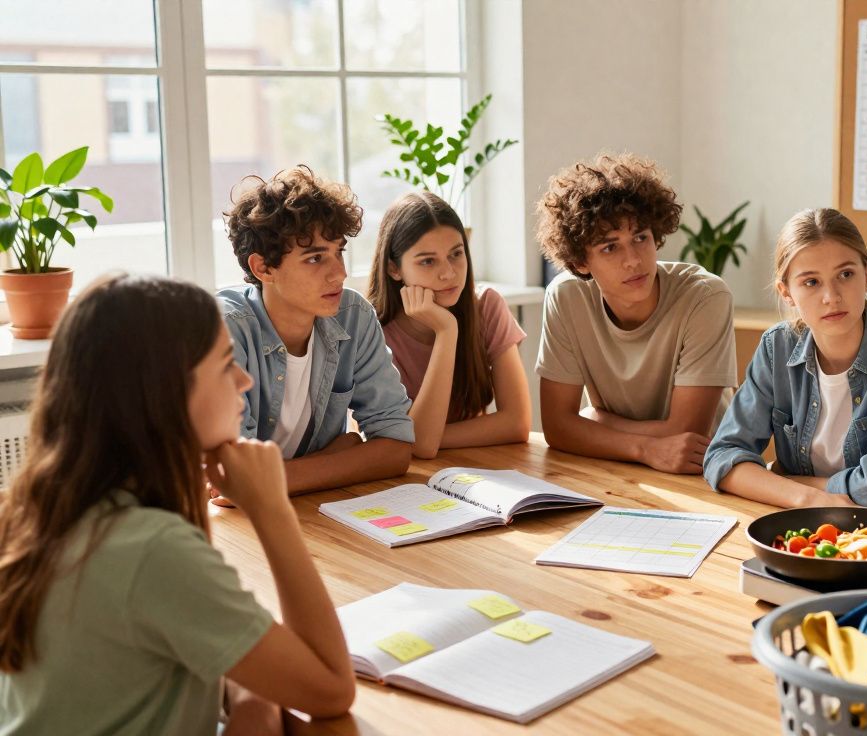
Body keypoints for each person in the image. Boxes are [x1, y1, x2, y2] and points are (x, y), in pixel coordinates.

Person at [0, 275, 355, 734]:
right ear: (165, 393)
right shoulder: (149, 549)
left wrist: (253, 695)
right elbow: (331, 689)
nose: (244, 380)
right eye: (226, 363)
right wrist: (272, 510)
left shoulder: (44, 510)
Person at [704, 208, 867, 508]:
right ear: (786, 292)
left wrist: (782, 479)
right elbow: (722, 458)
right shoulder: (777, 347)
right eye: (811, 282)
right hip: (808, 526)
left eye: (845, 274)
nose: (831, 296)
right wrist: (806, 497)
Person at [535, 153, 737, 474]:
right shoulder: (567, 297)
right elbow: (558, 429)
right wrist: (644, 448)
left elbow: (686, 434)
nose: (633, 260)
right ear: (580, 263)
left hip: (699, 471)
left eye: (640, 237)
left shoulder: (704, 296)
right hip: (614, 465)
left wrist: (598, 422)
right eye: (610, 247)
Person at [218, 166, 414, 496]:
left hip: (315, 509)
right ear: (263, 268)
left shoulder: (353, 316)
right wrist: (340, 452)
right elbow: (231, 481)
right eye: (314, 258)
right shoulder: (225, 330)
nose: (339, 273)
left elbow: (396, 448)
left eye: (338, 252)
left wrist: (269, 481)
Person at [369, 191, 530, 458]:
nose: (449, 273)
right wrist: (446, 331)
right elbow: (422, 446)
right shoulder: (373, 333)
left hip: (476, 470)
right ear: (393, 269)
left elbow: (517, 423)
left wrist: (423, 436)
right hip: (403, 482)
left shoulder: (487, 307)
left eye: (456, 254)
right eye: (427, 261)